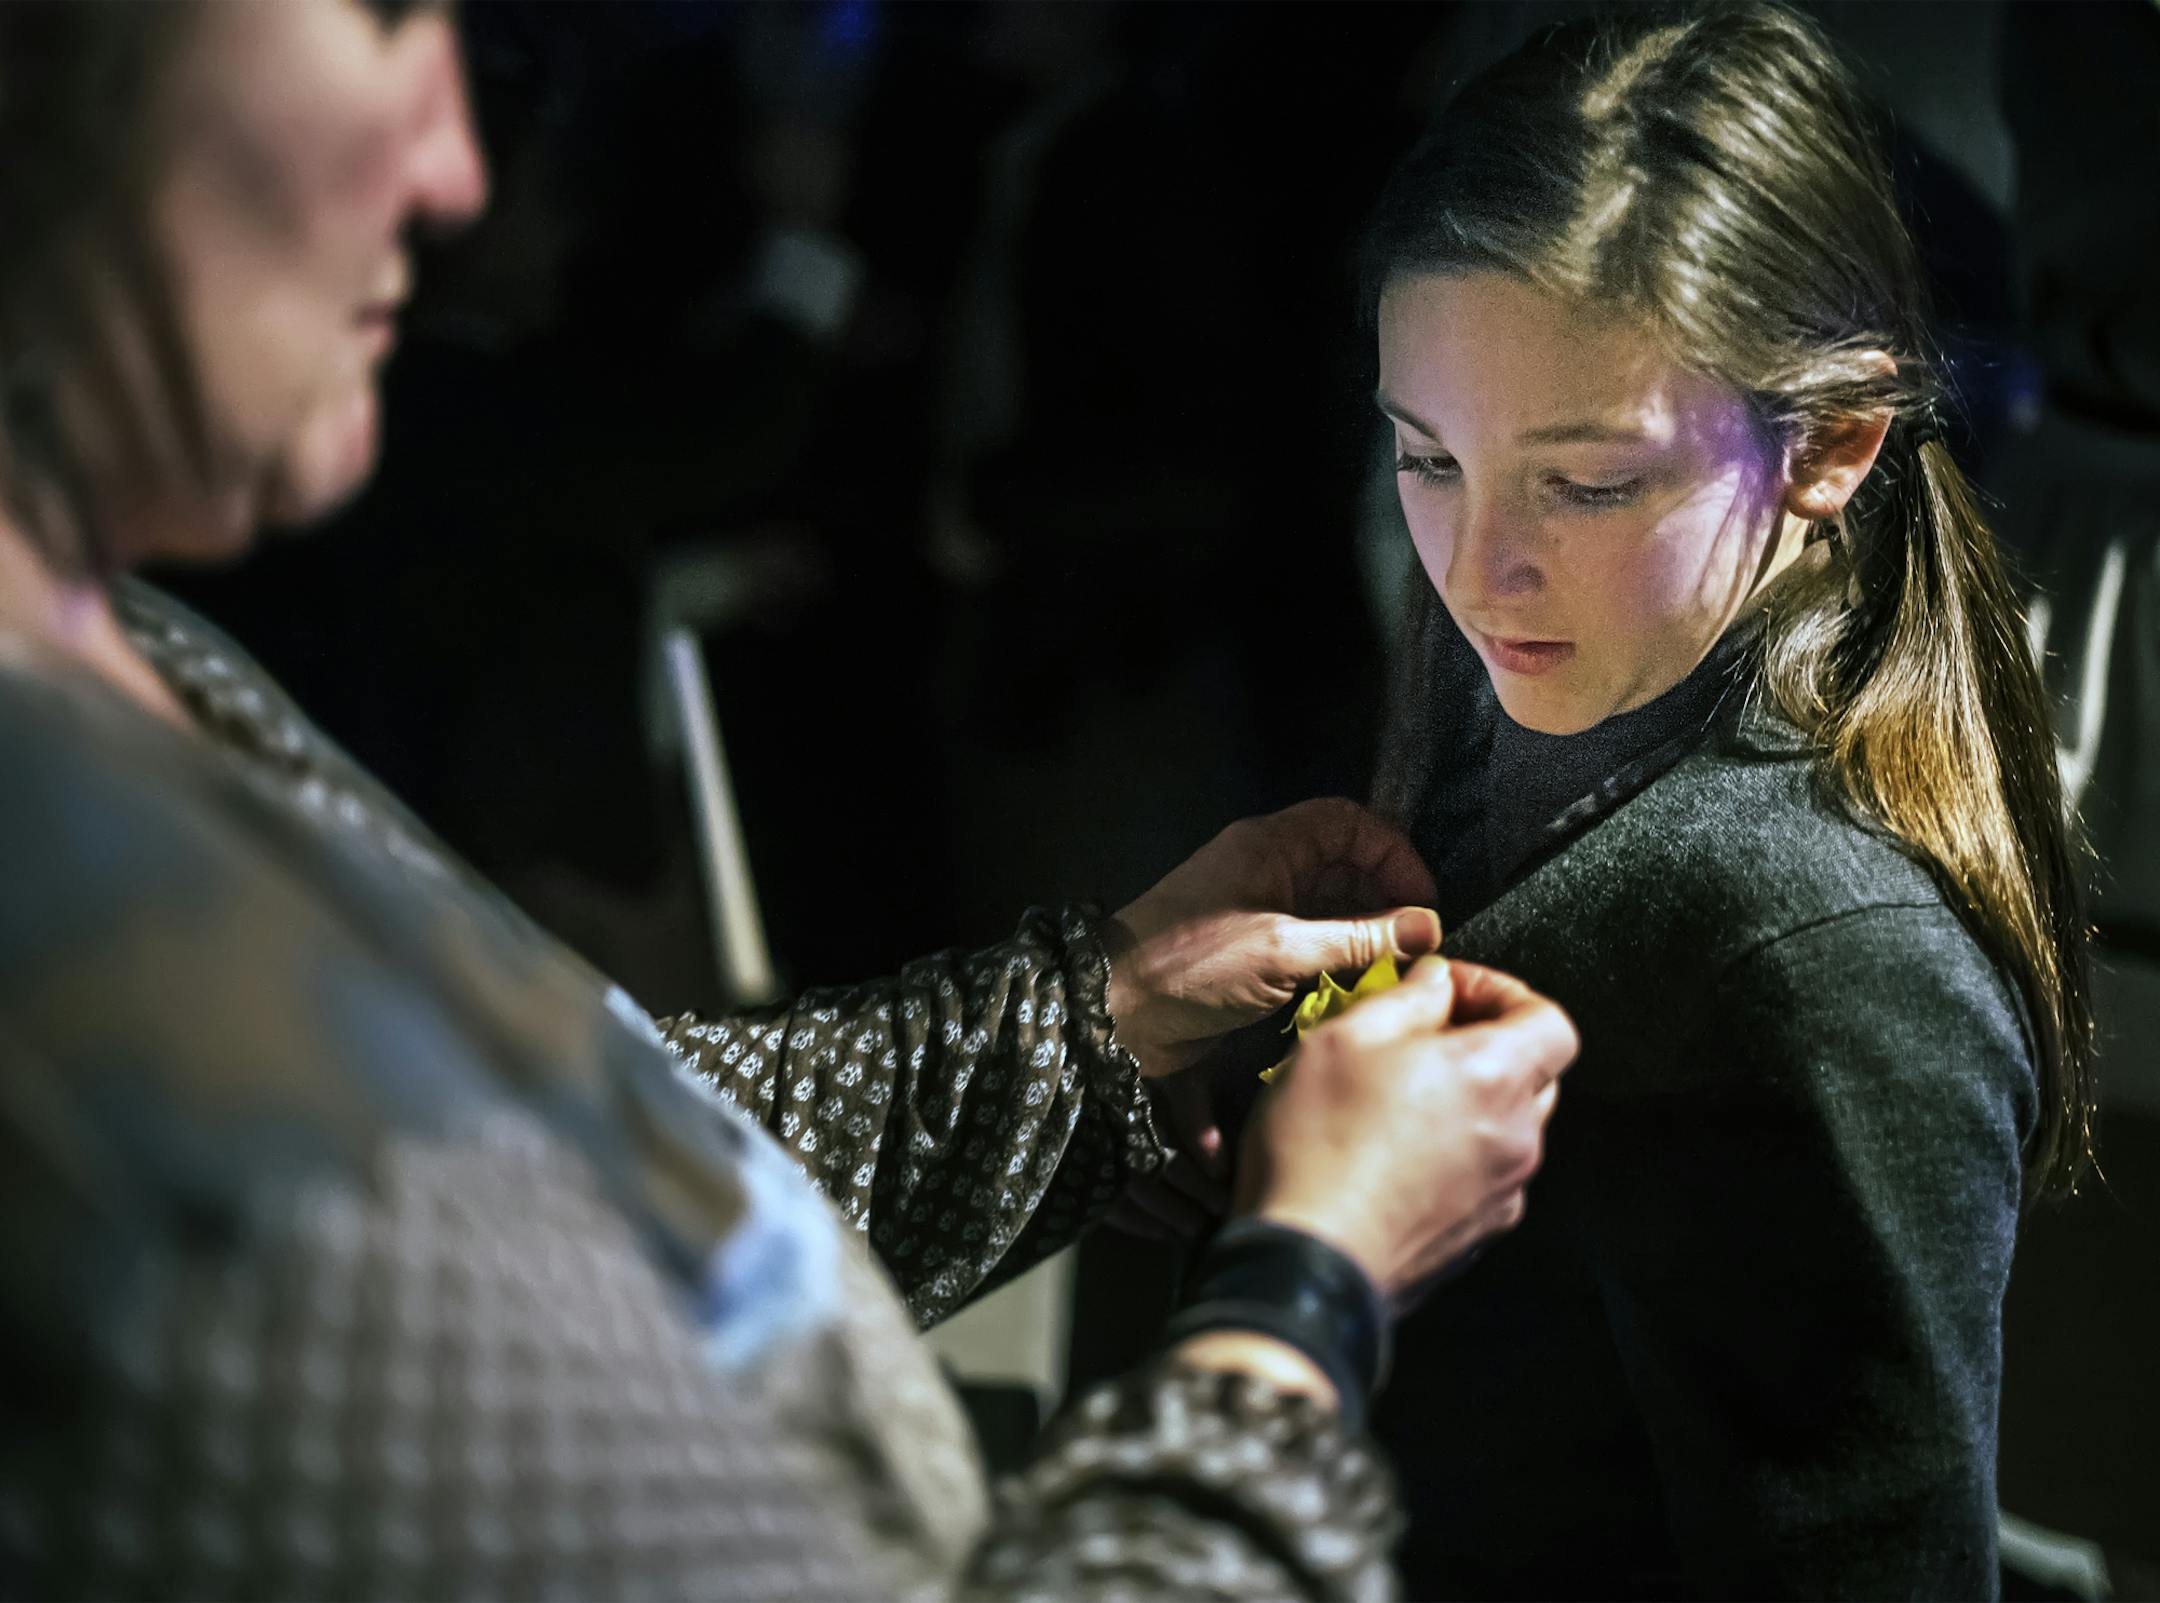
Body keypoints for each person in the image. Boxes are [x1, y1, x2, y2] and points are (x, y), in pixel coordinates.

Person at [0, 3, 1579, 1598]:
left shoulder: (133, 665)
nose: (457, 171)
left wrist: (1100, 1014)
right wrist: (1299, 1302)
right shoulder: (63, 957)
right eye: (386, 17)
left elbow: (609, 1148)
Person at [1357, 4, 2095, 1597]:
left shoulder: (1820, 950)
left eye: (1591, 480)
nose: (1478, 569)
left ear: (1831, 441)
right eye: (1425, 459)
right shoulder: (1546, 664)